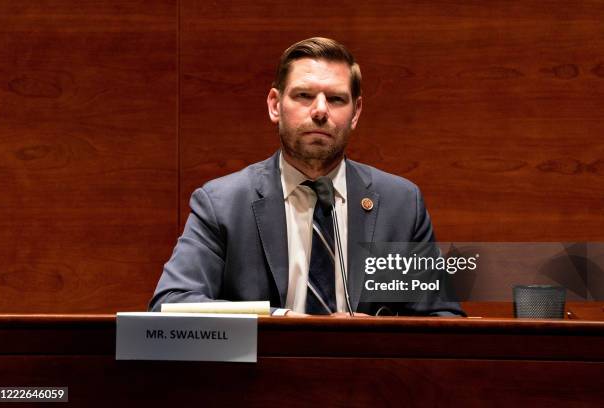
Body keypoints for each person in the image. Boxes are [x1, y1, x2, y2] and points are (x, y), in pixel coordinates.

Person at [149, 37, 464, 317]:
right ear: (275, 105)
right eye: (303, 95)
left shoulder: (400, 204)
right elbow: (171, 303)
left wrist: (375, 338)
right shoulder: (223, 204)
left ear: (355, 112)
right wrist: (282, 320)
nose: (320, 111)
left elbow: (441, 318)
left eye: (337, 99)